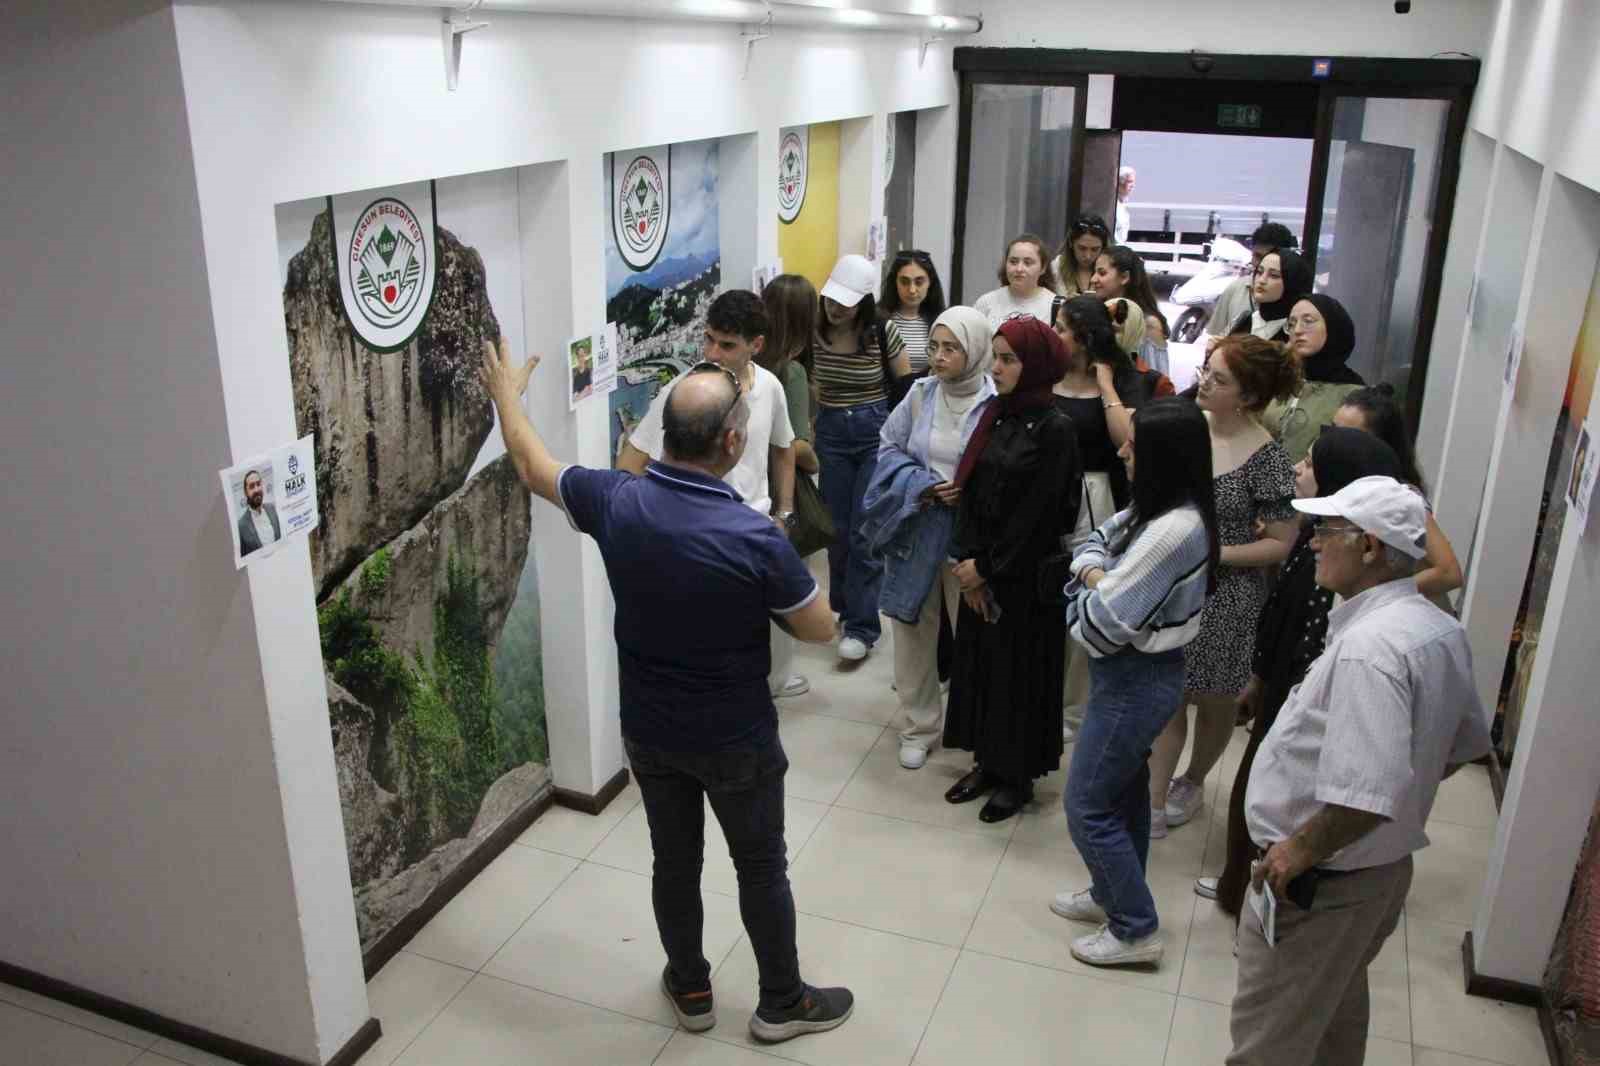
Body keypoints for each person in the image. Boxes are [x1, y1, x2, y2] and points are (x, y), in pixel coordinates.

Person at [479, 341, 855, 1045]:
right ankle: (782, 1003)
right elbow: (817, 631)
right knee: (761, 867)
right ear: (735, 442)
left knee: (674, 863)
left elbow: (532, 466)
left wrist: (505, 392)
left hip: (650, 731)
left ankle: (690, 988)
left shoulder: (619, 500)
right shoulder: (752, 535)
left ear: (666, 436)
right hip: (736, 735)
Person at [1228, 476, 1492, 1066]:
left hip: (1325, 883)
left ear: (1370, 547)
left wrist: (1295, 851)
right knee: (1329, 1024)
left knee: (1268, 1047)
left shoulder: (1371, 650)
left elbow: (1367, 794)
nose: (1314, 542)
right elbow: (1462, 746)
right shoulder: (1436, 628)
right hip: (1375, 874)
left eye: (1327, 530)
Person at [1194, 428, 1406, 914]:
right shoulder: (1317, 533)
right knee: (1252, 786)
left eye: (1309, 464)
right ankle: (1237, 888)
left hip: (1304, 694)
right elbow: (1280, 617)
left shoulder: (1348, 562)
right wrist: (1259, 678)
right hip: (1279, 685)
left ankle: (1262, 903)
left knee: (1286, 801)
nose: (1296, 470)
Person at [1054, 398, 1219, 967]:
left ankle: (1134, 927)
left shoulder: (1174, 530)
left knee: (1086, 805)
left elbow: (1096, 629)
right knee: (1122, 795)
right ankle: (1111, 895)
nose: (1123, 450)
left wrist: (1088, 582)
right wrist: (1097, 575)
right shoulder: (1158, 509)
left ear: (1163, 458)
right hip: (1135, 678)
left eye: (1134, 446)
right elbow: (1093, 539)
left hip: (1136, 681)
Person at [618, 289, 808, 700]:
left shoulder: (771, 388)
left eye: (727, 344)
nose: (713, 353)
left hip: (754, 531)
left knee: (766, 653)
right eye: (708, 339)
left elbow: (784, 448)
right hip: (696, 541)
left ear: (755, 346)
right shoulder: (684, 392)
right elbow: (629, 467)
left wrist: (786, 513)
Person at [1149, 336, 1301, 837]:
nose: (1206, 383)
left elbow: (1281, 541)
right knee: (1168, 696)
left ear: (1249, 397)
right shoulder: (1187, 426)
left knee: (1213, 700)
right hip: (1173, 581)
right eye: (1207, 371)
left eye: (1220, 379)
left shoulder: (1267, 457)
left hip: (1228, 596)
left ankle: (1192, 780)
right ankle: (1151, 798)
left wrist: (1216, 554)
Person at [942, 316, 1080, 823]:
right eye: (995, 358)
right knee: (981, 669)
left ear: (1036, 365)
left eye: (1008, 359)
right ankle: (986, 761)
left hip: (1021, 580)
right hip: (981, 568)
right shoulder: (995, 414)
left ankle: (1015, 776)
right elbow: (971, 491)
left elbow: (1042, 515)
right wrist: (967, 563)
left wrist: (990, 570)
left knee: (1018, 677)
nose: (996, 368)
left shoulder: (1055, 428)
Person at [863, 307, 996, 770]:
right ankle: (919, 725)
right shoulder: (920, 395)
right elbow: (888, 446)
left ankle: (977, 726)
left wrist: (971, 491)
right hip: (920, 524)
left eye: (950, 348)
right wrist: (919, 483)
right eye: (934, 347)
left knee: (975, 632)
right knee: (913, 627)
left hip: (969, 535)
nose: (937, 357)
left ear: (976, 351)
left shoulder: (996, 400)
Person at [815, 253, 913, 661]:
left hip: (874, 433)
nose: (836, 309)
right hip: (831, 433)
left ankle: (862, 627)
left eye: (845, 303)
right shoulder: (813, 329)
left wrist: (896, 435)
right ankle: (844, 605)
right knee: (835, 530)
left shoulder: (881, 330)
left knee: (864, 532)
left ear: (864, 303)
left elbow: (906, 383)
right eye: (831, 300)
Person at [1335, 385, 1464, 598]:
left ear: (1379, 444)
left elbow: (1449, 573)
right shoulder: (1346, 482)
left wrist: (1371, 596)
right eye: (1330, 431)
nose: (1332, 443)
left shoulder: (1399, 495)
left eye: (1348, 437)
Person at [1262, 294, 1366, 464]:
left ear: (1333, 327)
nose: (1297, 330)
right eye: (1291, 324)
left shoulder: (1355, 395)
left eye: (1308, 321)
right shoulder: (1278, 378)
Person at [760, 274, 820, 481]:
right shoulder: (792, 371)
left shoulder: (751, 359)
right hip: (781, 479)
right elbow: (796, 446)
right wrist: (815, 464)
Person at [1205, 223, 1298, 346]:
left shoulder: (1299, 304)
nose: (1262, 264)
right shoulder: (1235, 289)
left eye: (1274, 274)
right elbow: (1216, 338)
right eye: (1257, 256)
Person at [1090, 246, 1166, 375]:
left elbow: (1156, 381)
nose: (1093, 279)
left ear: (1124, 277)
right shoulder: (1097, 311)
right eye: (1094, 272)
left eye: (1102, 273)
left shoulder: (1149, 324)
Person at [879, 249, 946, 377]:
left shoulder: (941, 321)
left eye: (919, 282)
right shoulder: (880, 320)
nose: (912, 289)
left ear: (930, 283)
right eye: (904, 282)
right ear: (895, 282)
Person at [1225, 249, 1313, 343]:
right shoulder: (1244, 320)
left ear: (1292, 283)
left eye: (1274, 275)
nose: (1262, 280)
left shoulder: (1297, 333)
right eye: (1259, 272)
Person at [973, 234, 1058, 327]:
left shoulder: (1056, 306)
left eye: (1028, 263)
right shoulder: (986, 302)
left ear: (1043, 268)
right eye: (1013, 262)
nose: (1019, 269)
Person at [1052, 215, 1111, 299]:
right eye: (1082, 248)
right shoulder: (1056, 268)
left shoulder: (1112, 270)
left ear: (1103, 247)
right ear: (1071, 243)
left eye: (1095, 249)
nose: (1088, 256)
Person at [237, 470, 280, 557]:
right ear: (246, 492)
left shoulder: (272, 509)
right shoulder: (241, 526)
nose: (256, 489)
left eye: (258, 484)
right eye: (252, 486)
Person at [1114, 166, 1136, 244]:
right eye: (1129, 181)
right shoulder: (1112, 205)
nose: (1133, 185)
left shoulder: (1123, 203)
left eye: (1133, 182)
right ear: (1119, 183)